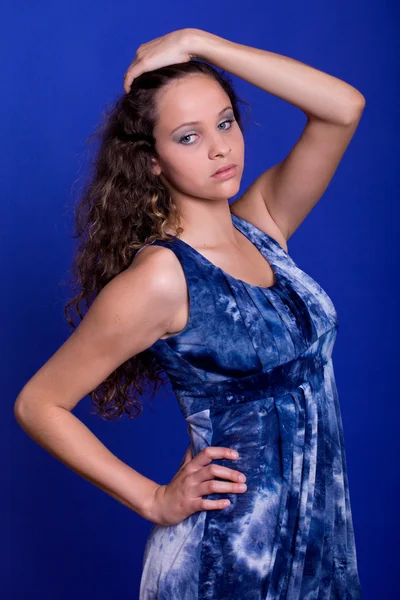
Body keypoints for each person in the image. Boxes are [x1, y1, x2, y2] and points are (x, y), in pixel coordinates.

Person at [14, 27, 365, 599]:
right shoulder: (162, 277)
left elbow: (343, 109)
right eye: (188, 136)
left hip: (318, 544)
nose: (220, 148)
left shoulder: (264, 225)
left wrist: (204, 45)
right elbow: (38, 404)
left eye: (225, 122)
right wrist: (153, 498)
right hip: (226, 560)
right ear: (151, 163)